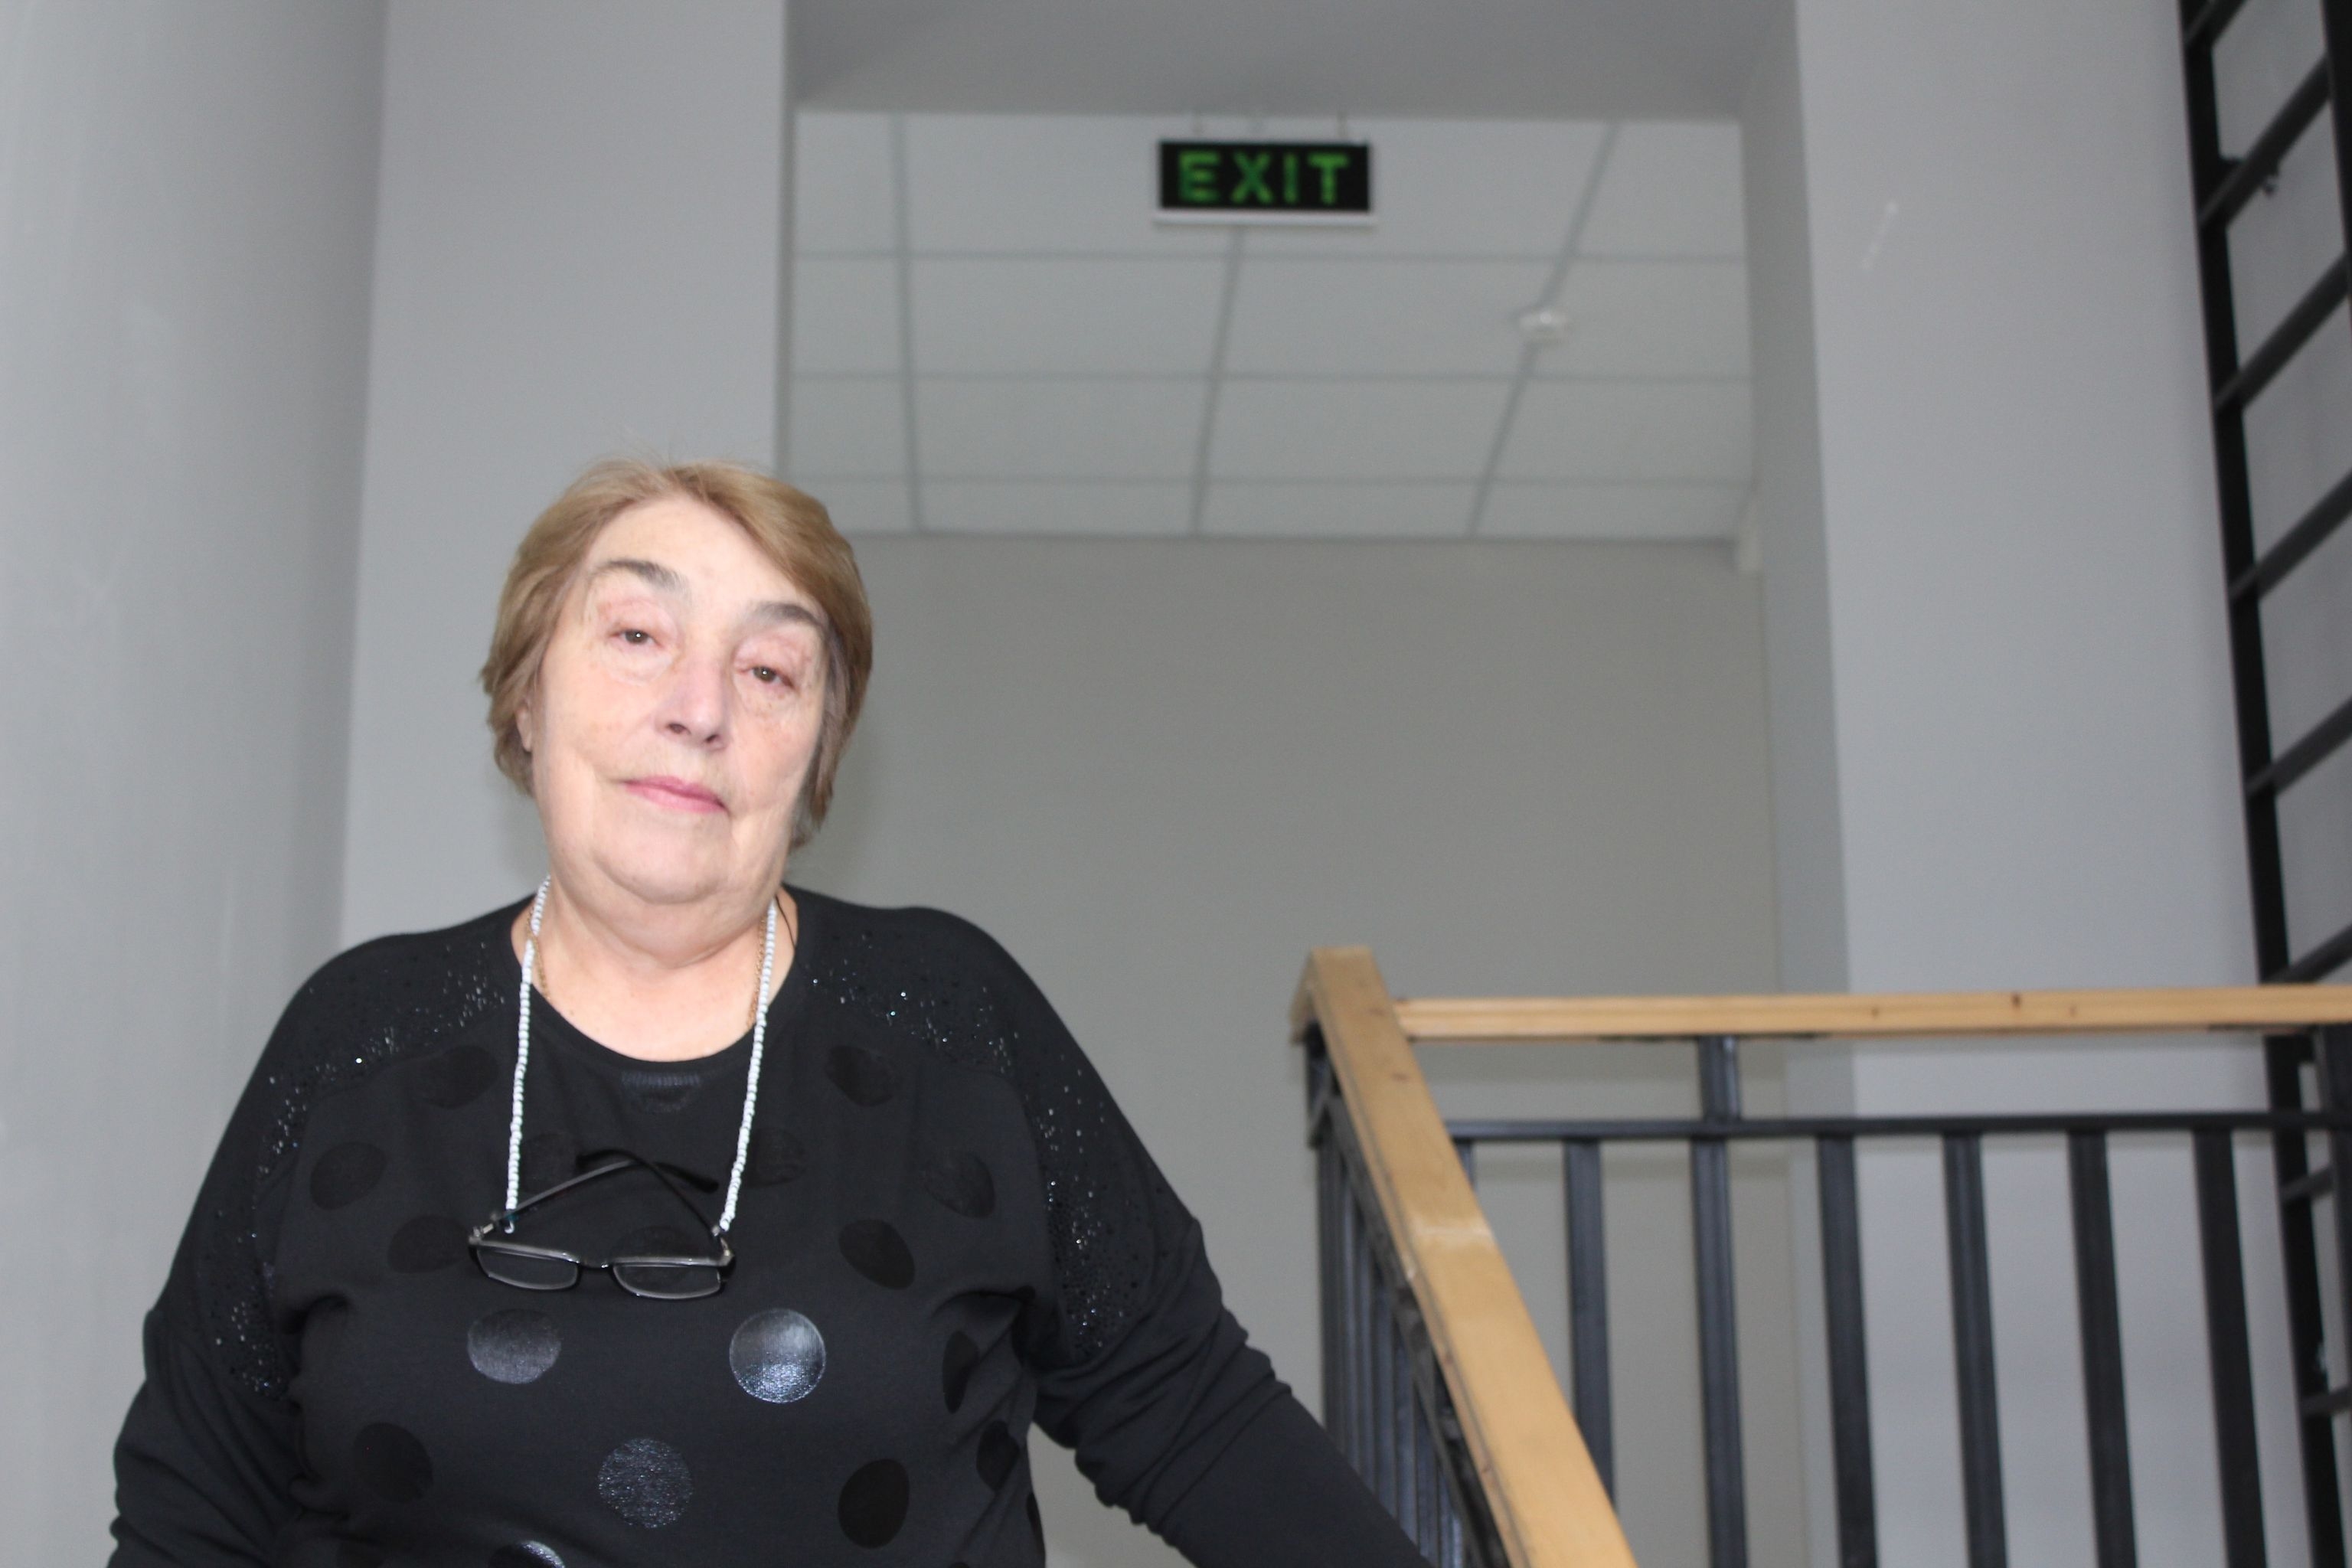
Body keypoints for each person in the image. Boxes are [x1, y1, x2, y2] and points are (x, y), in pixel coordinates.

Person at [109, 459, 1427, 1566]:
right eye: (638, 636)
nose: (699, 709)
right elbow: (194, 1505)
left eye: (771, 672)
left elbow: (1191, 1412)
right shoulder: (358, 1035)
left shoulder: (952, 1022)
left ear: (815, 760)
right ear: (526, 692)